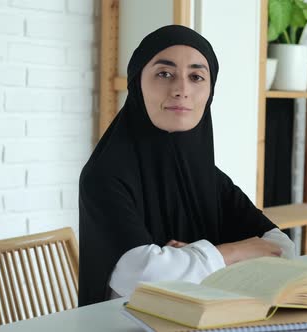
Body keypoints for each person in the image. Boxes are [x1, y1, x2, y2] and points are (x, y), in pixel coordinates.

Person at [78, 25, 295, 306]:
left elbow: (283, 248)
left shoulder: (208, 177)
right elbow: (147, 278)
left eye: (196, 77)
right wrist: (237, 252)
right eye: (164, 74)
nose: (181, 90)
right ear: (137, 85)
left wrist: (189, 259)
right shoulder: (103, 178)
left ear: (210, 91)